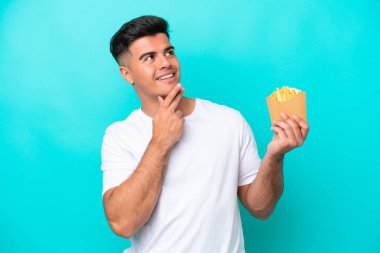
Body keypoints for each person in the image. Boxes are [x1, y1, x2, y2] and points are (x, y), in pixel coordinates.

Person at [101, 15, 309, 253]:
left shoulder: (229, 120)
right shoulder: (120, 136)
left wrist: (275, 155)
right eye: (150, 57)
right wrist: (160, 141)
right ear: (127, 75)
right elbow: (123, 224)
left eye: (169, 52)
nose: (165, 63)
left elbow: (261, 208)